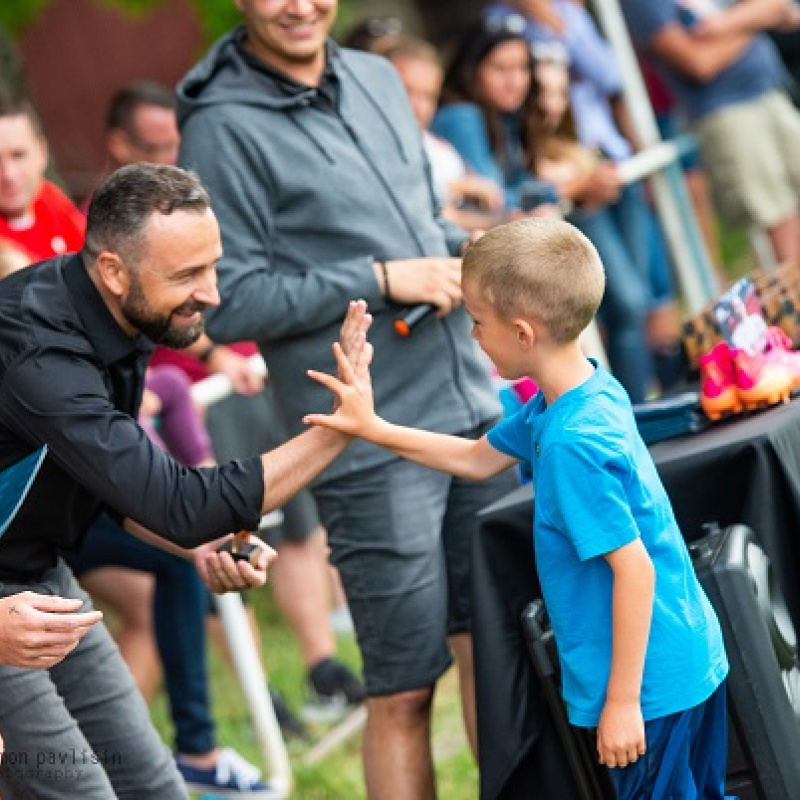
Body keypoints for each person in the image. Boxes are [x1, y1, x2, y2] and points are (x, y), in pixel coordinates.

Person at [177, 2, 515, 797]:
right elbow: (234, 297)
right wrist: (382, 278)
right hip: (365, 438)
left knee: (494, 654)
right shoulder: (219, 128)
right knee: (402, 687)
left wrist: (454, 256)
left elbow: (407, 221)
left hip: (471, 405)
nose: (299, 5)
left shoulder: (376, 77)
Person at [306, 217, 732, 800]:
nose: (474, 336)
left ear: (523, 333)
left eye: (479, 323)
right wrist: (371, 427)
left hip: (649, 688)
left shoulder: (568, 444)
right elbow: (479, 459)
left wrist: (622, 702)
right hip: (680, 660)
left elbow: (635, 570)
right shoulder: (579, 391)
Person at [0, 161, 372, 800]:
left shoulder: (119, 313)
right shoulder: (40, 348)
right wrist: (338, 430)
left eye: (212, 266)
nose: (213, 293)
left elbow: (124, 488)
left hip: (41, 578)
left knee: (153, 784)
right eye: (188, 276)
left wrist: (201, 548)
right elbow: (182, 504)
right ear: (114, 270)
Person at [103, 79, 365, 722]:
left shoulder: (200, 203)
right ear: (119, 145)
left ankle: (320, 665)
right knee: (217, 536)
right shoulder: (112, 230)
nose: (169, 155)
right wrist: (212, 355)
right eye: (152, 145)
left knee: (294, 522)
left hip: (252, 375)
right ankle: (259, 703)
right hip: (185, 407)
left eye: (175, 143)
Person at [432, 21, 656, 402]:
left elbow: (519, 187)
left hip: (512, 248)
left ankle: (632, 402)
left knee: (626, 302)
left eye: (521, 69)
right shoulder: (462, 114)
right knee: (625, 305)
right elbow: (498, 197)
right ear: (473, 71)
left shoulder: (507, 116)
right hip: (481, 253)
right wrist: (570, 185)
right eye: (501, 69)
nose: (514, 81)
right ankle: (633, 407)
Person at [619, 0, 800, 264]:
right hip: (726, 113)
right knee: (779, 225)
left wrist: (725, 24)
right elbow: (698, 63)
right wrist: (755, 20)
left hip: (773, 93)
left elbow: (778, 6)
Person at [383, 35, 505, 233]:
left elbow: (492, 196)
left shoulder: (441, 150)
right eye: (406, 91)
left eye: (428, 96)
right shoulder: (371, 148)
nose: (418, 107)